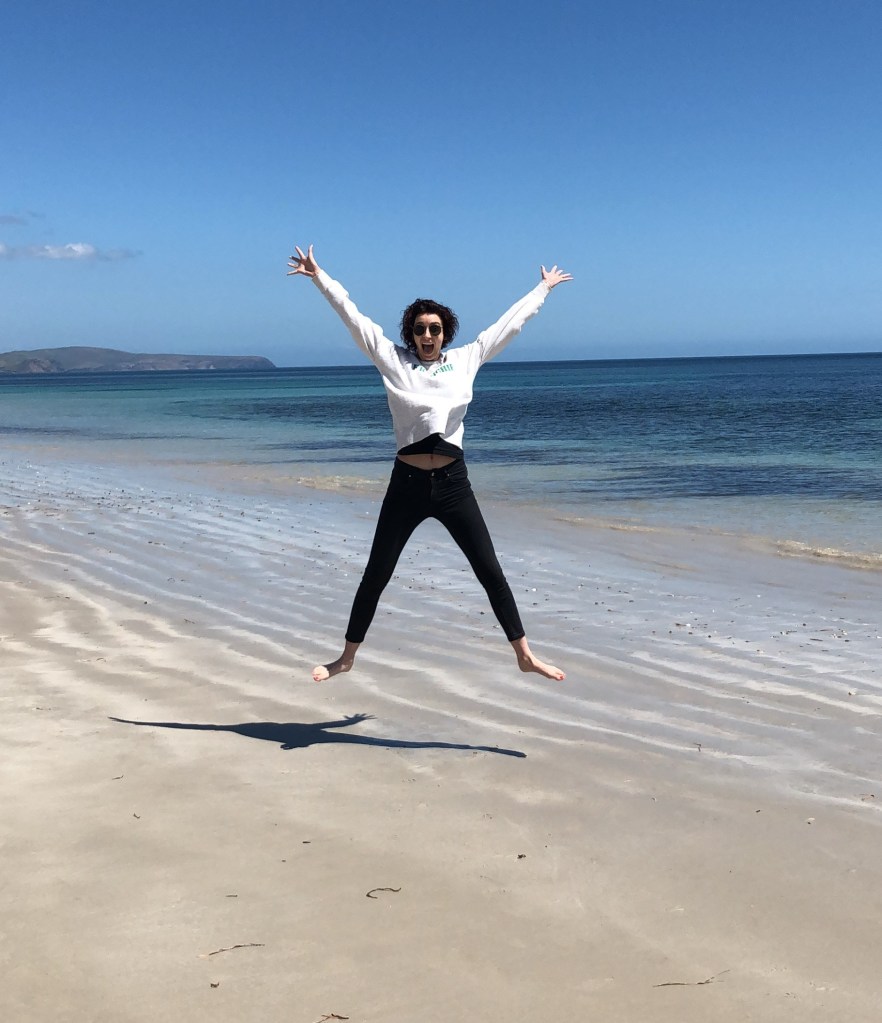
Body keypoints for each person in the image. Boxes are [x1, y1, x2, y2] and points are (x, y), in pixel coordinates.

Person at [287, 244, 572, 683]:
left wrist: (543, 290)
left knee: (489, 570)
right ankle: (346, 657)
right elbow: (353, 316)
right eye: (420, 328)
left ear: (445, 333)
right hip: (406, 485)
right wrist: (320, 277)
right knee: (377, 573)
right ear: (411, 332)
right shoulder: (393, 362)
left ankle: (524, 654)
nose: (427, 335)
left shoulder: (465, 360)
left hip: (454, 484)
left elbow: (507, 326)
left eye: (435, 329)